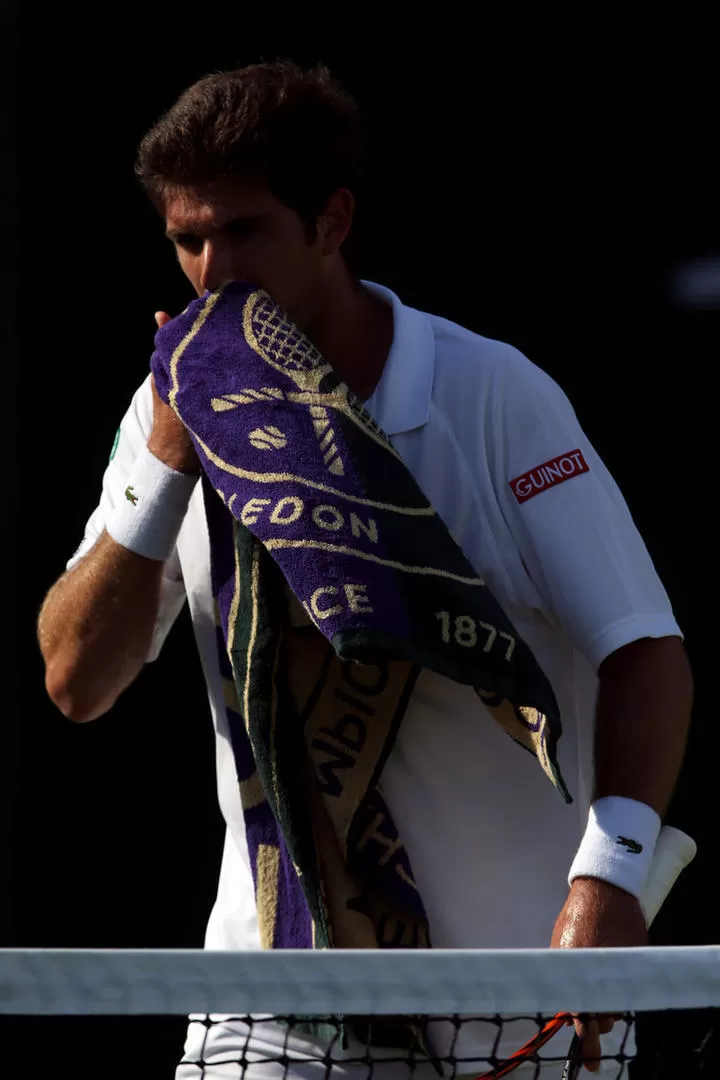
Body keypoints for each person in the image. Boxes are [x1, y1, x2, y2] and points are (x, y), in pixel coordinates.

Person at [36, 61, 693, 1077]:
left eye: (244, 232)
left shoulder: (494, 397)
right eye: (186, 240)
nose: (210, 273)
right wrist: (170, 453)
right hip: (274, 998)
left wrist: (608, 880)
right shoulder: (162, 412)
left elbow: (644, 652)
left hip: (523, 993)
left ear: (332, 221)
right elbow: (77, 680)